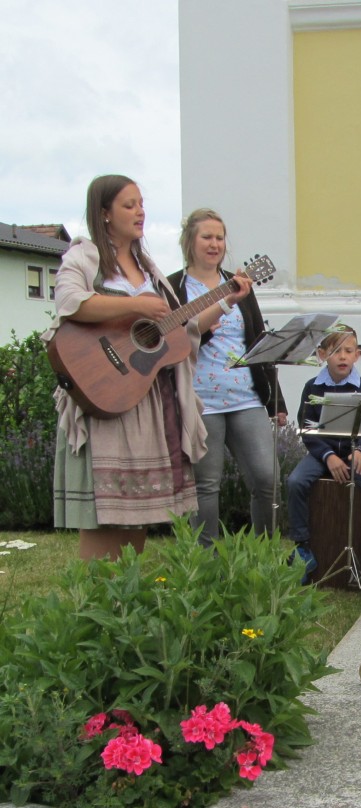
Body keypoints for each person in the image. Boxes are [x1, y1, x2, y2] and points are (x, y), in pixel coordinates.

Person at [45, 175, 249, 561]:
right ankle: (92, 610)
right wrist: (135, 306)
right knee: (102, 520)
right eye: (129, 205)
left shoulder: (147, 267)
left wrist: (226, 301)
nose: (140, 212)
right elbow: (70, 301)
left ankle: (125, 607)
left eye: (141, 204)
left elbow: (179, 331)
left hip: (145, 400)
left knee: (136, 519)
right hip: (104, 395)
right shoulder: (85, 256)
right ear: (104, 213)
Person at [167, 209, 287, 545]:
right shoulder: (174, 287)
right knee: (206, 487)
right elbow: (170, 341)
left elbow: (258, 339)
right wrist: (203, 331)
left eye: (219, 237)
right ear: (190, 241)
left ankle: (264, 557)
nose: (214, 244)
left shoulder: (238, 286)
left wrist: (275, 399)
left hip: (245, 396)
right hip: (200, 399)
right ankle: (205, 565)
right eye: (207, 236)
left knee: (267, 479)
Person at [287, 326, 361, 585]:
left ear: (357, 355)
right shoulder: (312, 388)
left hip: (354, 455)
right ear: (322, 354)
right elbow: (306, 427)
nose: (342, 357)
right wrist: (327, 455)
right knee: (296, 482)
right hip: (322, 455)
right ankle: (303, 549)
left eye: (348, 351)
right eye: (336, 351)